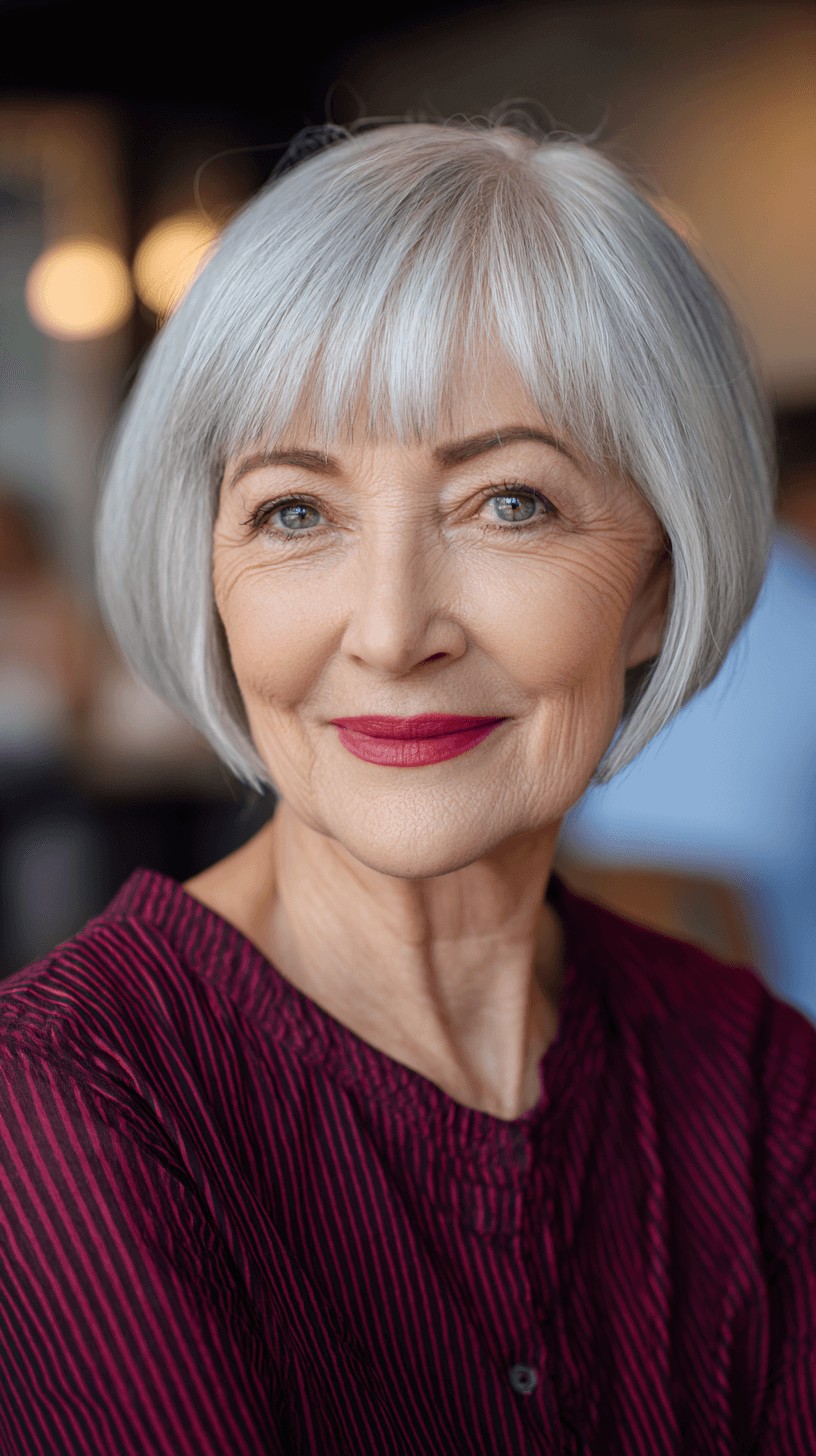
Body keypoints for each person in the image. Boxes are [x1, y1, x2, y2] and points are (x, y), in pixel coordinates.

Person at [0, 117, 813, 1454]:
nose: (389, 630)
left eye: (509, 504)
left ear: (657, 587)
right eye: (296, 514)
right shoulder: (70, 1106)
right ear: (208, 570)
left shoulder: (753, 1083)